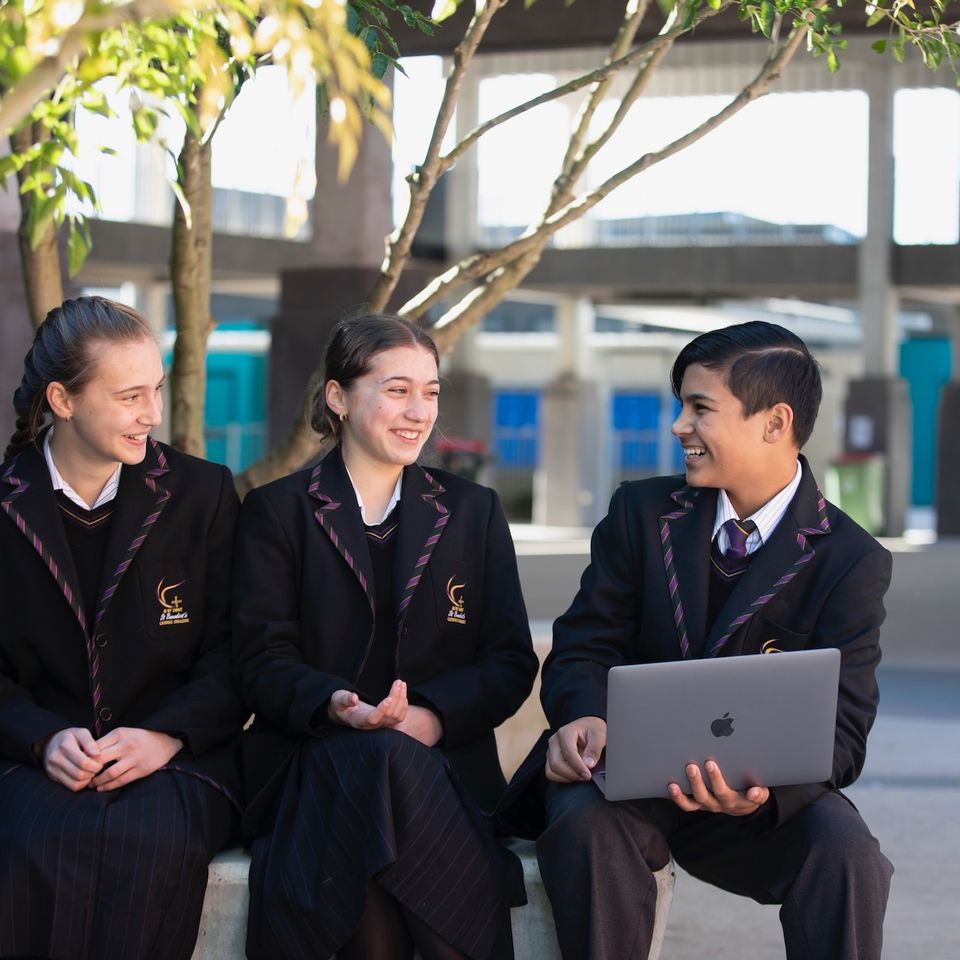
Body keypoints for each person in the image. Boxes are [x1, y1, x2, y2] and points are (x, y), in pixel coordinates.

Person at [503, 321, 894, 960]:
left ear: (775, 422)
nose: (679, 425)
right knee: (587, 827)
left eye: (700, 407)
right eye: (680, 404)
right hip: (619, 783)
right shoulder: (639, 513)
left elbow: (843, 734)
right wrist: (582, 715)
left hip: (754, 804)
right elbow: (583, 645)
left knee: (847, 853)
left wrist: (760, 794)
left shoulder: (851, 560)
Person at [232, 313, 538, 960]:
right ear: (338, 397)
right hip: (310, 761)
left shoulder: (471, 512)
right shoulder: (277, 511)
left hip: (441, 766)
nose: (418, 410)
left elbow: (509, 659)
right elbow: (259, 658)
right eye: (397, 389)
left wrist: (427, 718)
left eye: (429, 391)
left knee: (385, 781)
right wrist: (337, 705)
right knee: (370, 776)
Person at [0, 296, 245, 959]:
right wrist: (41, 739)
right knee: (35, 846)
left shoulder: (202, 493)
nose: (154, 415)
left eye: (157, 390)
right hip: (31, 763)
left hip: (179, 762)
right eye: (131, 395)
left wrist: (166, 735)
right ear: (62, 398)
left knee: (151, 842)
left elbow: (237, 650)